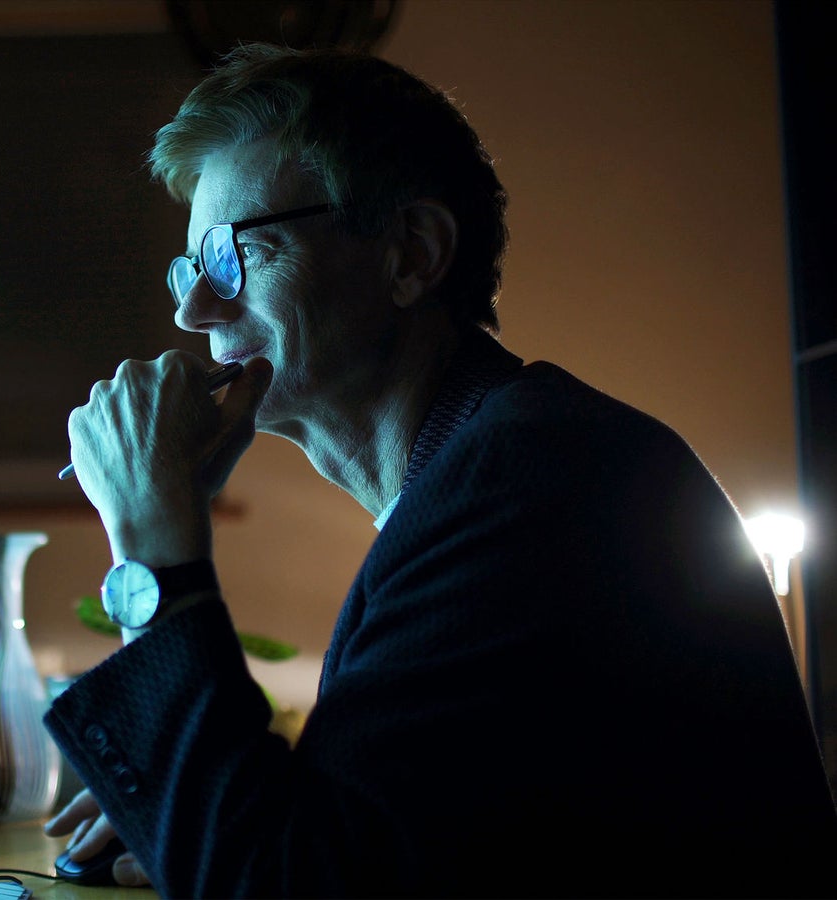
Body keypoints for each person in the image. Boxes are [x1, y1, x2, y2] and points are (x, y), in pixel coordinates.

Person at [43, 44, 837, 897]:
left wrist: (152, 531)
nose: (194, 308)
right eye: (191, 268)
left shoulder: (531, 489)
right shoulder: (501, 463)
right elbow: (363, 852)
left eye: (235, 253)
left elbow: (277, 886)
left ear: (411, 255)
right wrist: (188, 818)